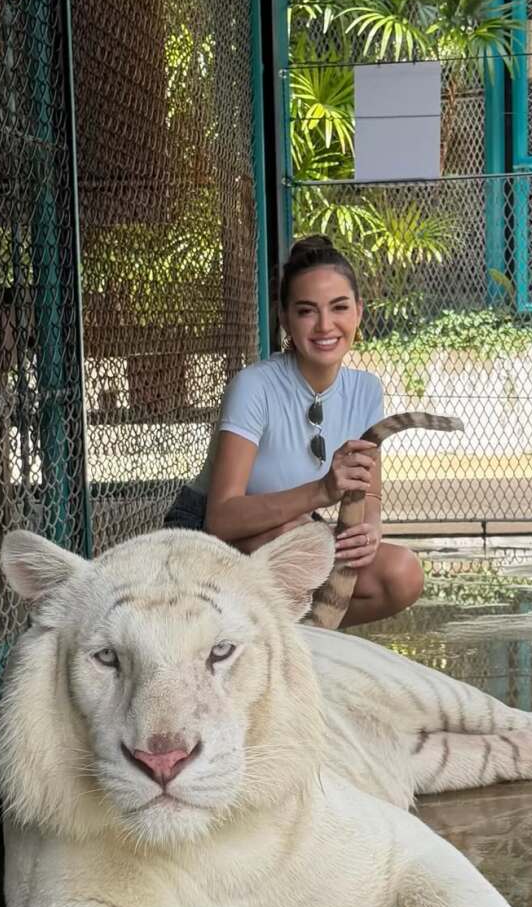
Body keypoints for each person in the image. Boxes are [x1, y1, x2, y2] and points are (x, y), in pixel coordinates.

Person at [163, 235, 424, 627]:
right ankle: (276, 642)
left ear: (358, 312)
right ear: (284, 318)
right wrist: (321, 491)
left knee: (401, 574)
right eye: (306, 311)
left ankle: (298, 639)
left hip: (296, 535)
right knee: (299, 536)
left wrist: (369, 528)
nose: (325, 325)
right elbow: (221, 517)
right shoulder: (254, 386)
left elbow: (367, 491)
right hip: (205, 537)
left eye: (339, 307)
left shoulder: (365, 388)